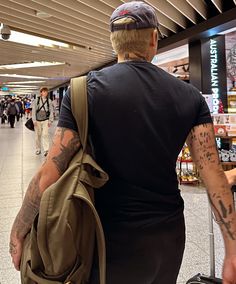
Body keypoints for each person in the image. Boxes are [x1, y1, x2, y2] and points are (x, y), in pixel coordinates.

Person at [9, 2, 236, 283]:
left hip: (104, 237)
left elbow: (49, 172)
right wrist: (232, 250)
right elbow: (213, 177)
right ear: (154, 39)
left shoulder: (83, 92)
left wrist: (19, 229)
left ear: (113, 42)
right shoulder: (189, 97)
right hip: (167, 237)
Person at [31, 87, 54, 156]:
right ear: (41, 92)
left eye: (46, 92)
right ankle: (38, 149)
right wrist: (34, 120)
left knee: (45, 135)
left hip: (45, 120)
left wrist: (50, 120)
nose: (45, 93)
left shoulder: (49, 101)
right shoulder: (36, 100)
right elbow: (33, 111)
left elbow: (51, 111)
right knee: (38, 136)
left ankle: (46, 150)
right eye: (44, 92)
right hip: (37, 121)